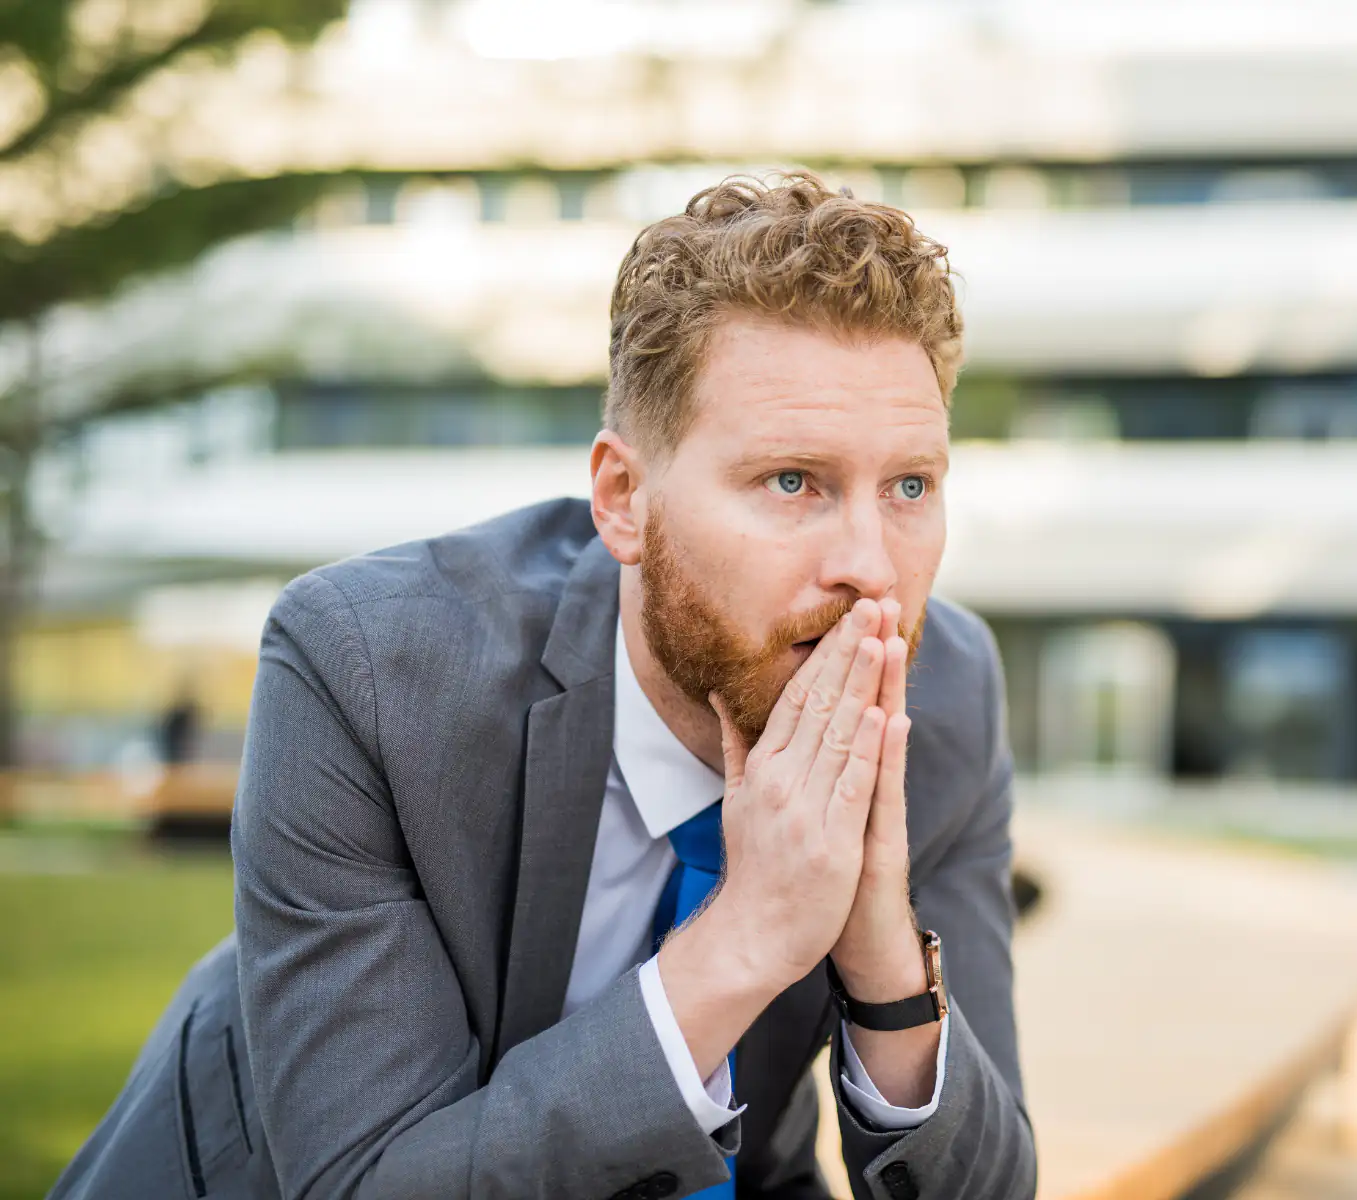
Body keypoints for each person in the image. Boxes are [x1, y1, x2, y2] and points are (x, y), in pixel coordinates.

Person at [51, 173, 1036, 1200]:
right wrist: (748, 937)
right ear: (623, 499)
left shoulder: (947, 697)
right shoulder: (370, 674)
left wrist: (883, 962)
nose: (871, 568)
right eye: (793, 482)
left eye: (909, 486)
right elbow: (366, 1185)